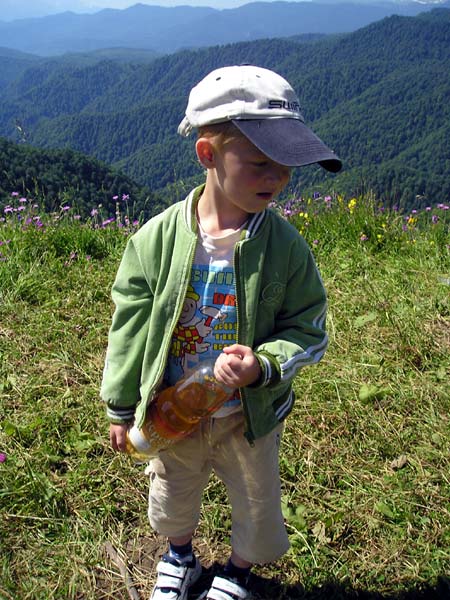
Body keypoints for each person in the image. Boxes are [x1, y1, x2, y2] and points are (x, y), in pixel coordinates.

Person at [101, 64, 341, 600]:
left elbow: (309, 327)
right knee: (172, 489)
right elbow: (131, 323)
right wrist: (121, 405)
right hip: (174, 407)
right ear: (208, 155)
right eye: (259, 163)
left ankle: (237, 572)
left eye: (285, 167)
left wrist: (264, 364)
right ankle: (179, 556)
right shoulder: (156, 239)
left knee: (257, 498)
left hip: (246, 415)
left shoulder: (285, 246)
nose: (275, 179)